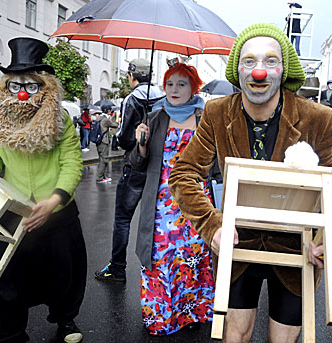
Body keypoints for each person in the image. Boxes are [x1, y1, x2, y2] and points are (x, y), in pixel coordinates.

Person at [169, 23, 332, 343]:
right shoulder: (216, 112)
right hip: (238, 245)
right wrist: (212, 226)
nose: (259, 71)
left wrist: (331, 233)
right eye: (249, 61)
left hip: (297, 249)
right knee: (234, 337)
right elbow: (183, 174)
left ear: (283, 70)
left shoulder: (316, 117)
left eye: (270, 61)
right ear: (237, 69)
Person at [0, 37, 86, 343]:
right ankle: (8, 334)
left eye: (32, 85)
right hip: (11, 211)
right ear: (7, 87)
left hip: (56, 212)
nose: (23, 92)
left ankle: (66, 319)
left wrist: (53, 201)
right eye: (16, 85)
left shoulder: (61, 119)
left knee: (65, 274)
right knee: (5, 280)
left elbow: (72, 164)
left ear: (46, 86)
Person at [128, 62, 214, 335]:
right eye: (170, 84)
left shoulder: (206, 119)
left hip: (196, 203)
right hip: (162, 204)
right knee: (163, 258)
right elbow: (136, 164)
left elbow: (218, 164)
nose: (174, 89)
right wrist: (141, 144)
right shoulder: (155, 118)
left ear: (194, 88)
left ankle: (190, 313)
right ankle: (162, 317)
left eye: (182, 84)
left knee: (192, 257)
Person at [95, 58, 164, 282]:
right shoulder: (164, 98)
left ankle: (117, 268)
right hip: (158, 166)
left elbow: (125, 139)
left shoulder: (132, 99)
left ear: (132, 76)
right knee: (156, 218)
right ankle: (159, 270)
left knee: (123, 219)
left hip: (135, 165)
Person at [95, 105, 118, 183]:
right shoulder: (105, 120)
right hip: (104, 141)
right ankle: (99, 178)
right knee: (104, 160)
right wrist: (116, 117)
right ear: (108, 111)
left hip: (99, 141)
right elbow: (116, 125)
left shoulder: (99, 118)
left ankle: (103, 176)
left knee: (101, 158)